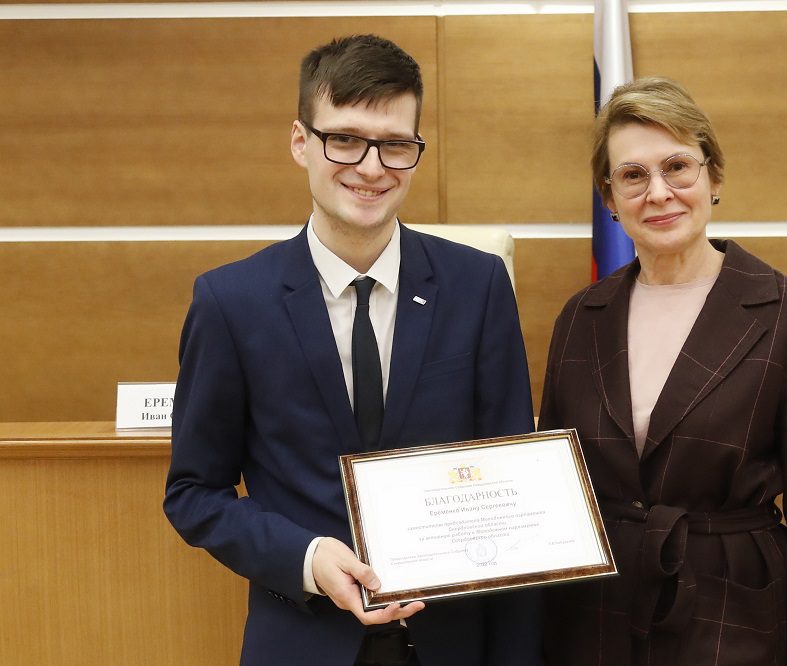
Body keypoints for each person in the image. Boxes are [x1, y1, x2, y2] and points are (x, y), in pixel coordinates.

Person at [164, 34, 539, 666]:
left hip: (453, 643)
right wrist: (306, 558)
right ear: (300, 141)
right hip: (302, 641)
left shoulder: (478, 286)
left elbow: (512, 477)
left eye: (395, 144)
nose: (371, 167)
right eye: (344, 139)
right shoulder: (232, 302)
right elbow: (194, 492)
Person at [538, 77, 787, 665]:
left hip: (732, 609)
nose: (658, 193)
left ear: (714, 177)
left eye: (677, 167)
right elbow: (554, 485)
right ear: (610, 198)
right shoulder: (581, 317)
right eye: (633, 175)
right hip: (595, 615)